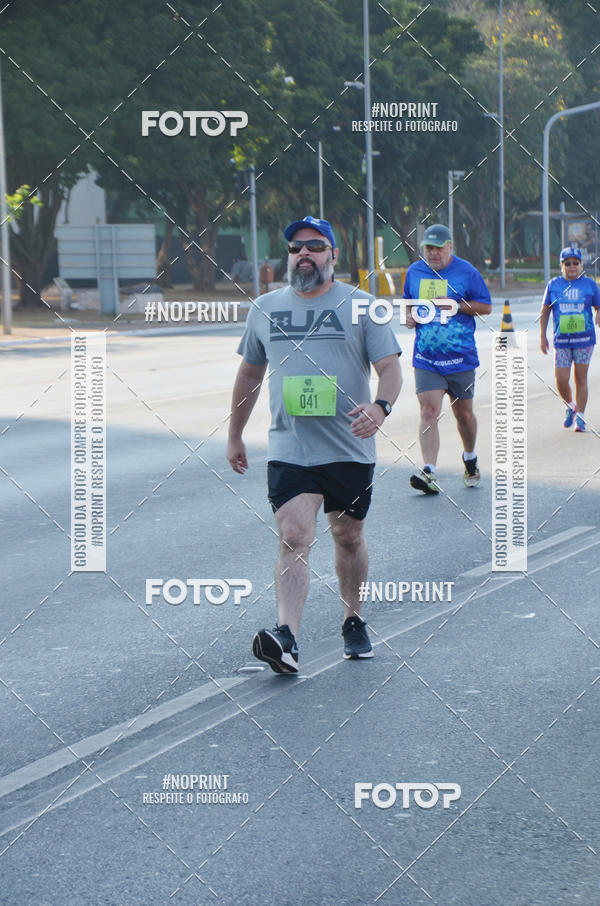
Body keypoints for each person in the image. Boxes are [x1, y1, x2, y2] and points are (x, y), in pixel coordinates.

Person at [227, 215, 402, 673]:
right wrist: (234, 434)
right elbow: (249, 373)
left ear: (333, 256)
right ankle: (287, 638)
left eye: (315, 246)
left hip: (349, 445)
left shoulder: (364, 305)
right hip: (291, 446)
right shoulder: (265, 307)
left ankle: (353, 617)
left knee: (348, 535)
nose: (304, 254)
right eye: (296, 248)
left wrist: (380, 407)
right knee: (293, 533)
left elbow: (390, 367)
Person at [402, 223, 492, 494]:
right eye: (428, 248)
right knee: (428, 411)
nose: (433, 253)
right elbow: (407, 300)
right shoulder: (414, 272)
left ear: (450, 247)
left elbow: (485, 306)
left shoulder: (467, 272)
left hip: (460, 357)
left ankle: (470, 457)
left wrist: (455, 306)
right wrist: (408, 315)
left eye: (438, 248)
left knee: (463, 415)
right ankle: (429, 471)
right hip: (426, 357)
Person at [540, 246, 600, 432]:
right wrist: (542, 335)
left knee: (580, 378)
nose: (572, 267)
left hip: (584, 340)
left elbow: (599, 305)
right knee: (561, 379)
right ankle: (570, 406)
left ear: (581, 265)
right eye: (568, 263)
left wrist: (598, 314)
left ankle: (580, 416)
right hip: (562, 341)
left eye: (575, 263)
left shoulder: (590, 285)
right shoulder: (553, 285)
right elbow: (545, 310)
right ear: (561, 266)